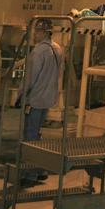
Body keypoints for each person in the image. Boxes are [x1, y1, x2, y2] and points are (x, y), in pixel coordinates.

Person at [19, 18, 63, 152]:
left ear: (44, 33)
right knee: (37, 130)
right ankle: (37, 159)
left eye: (37, 31)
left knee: (30, 133)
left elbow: (30, 77)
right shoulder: (58, 49)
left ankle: (30, 160)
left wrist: (21, 94)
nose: (34, 34)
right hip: (48, 98)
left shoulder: (38, 51)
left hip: (35, 99)